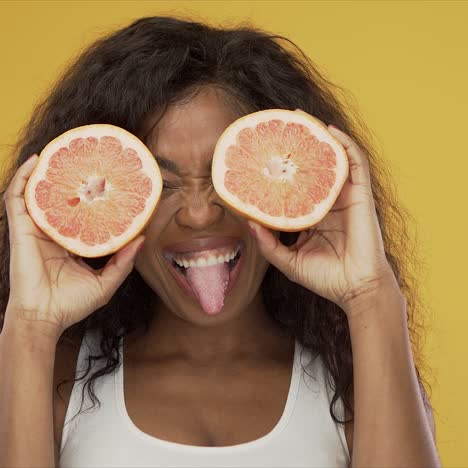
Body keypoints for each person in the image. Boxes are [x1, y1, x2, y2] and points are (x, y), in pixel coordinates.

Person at [0, 16, 440, 467]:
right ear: (113, 205)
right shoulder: (58, 382)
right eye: (163, 185)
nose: (200, 213)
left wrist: (371, 296)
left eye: (222, 176)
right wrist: (30, 324)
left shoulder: (357, 382)